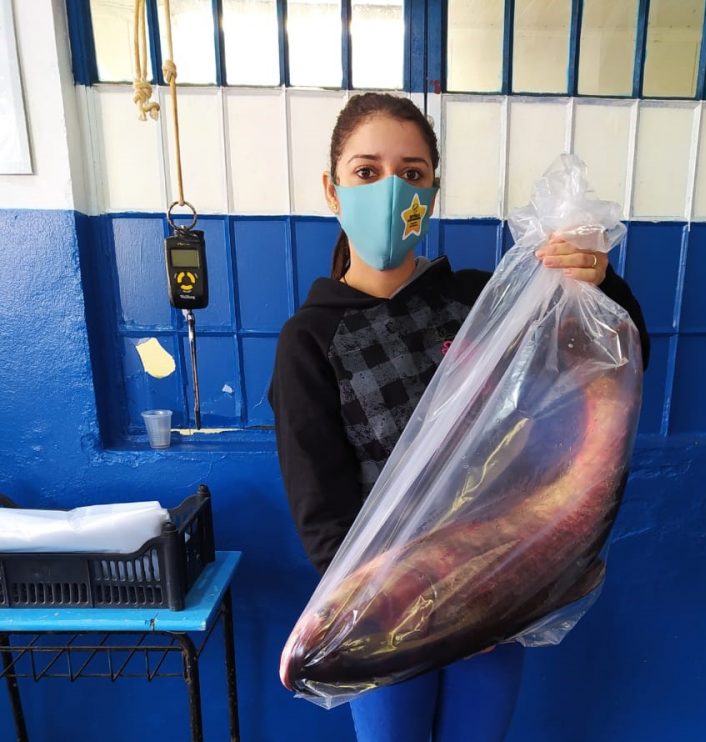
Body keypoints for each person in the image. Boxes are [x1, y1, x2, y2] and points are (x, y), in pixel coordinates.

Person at [269, 92, 649, 742]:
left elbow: (606, 367)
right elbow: (324, 519)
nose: (391, 190)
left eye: (412, 174)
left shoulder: (483, 302)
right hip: (387, 614)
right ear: (332, 190)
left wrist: (599, 286)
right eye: (367, 171)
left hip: (494, 596)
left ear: (432, 193)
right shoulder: (309, 340)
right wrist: (397, 612)